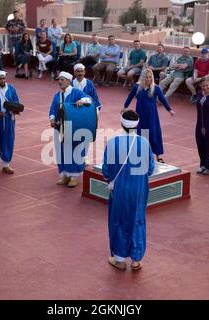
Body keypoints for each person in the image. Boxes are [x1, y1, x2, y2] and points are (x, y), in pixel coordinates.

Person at [102, 110, 155, 271]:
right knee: (138, 220)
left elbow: (106, 171)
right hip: (139, 190)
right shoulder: (144, 143)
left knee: (119, 220)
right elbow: (151, 169)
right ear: (137, 125)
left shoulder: (112, 143)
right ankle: (136, 260)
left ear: (121, 124)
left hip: (120, 190)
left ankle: (119, 259)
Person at [49, 71, 92, 187]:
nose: (60, 81)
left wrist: (81, 101)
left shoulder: (76, 92)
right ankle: (65, 175)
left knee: (73, 151)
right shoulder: (57, 95)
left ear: (68, 81)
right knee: (61, 151)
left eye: (63, 79)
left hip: (73, 128)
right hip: (59, 126)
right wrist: (52, 118)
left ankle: (74, 176)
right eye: (59, 79)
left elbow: (89, 99)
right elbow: (53, 109)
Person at [124, 68, 174, 163]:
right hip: (140, 115)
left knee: (153, 135)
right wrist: (125, 106)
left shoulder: (155, 88)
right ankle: (140, 154)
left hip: (152, 116)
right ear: (142, 77)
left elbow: (163, 99)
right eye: (146, 77)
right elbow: (130, 96)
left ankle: (158, 156)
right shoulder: (137, 87)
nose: (148, 79)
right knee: (140, 134)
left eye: (150, 77)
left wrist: (169, 110)